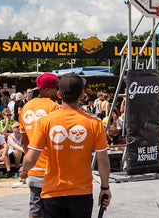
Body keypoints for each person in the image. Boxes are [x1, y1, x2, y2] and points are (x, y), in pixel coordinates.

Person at [22, 73, 111, 217]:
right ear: (81, 95)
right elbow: (103, 160)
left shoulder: (45, 122)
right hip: (82, 193)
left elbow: (31, 157)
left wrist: (24, 170)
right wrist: (104, 187)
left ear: (58, 94)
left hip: (52, 193)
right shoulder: (95, 123)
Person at [18, 73, 60, 218]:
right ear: (47, 90)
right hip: (52, 169)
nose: (59, 91)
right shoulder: (54, 107)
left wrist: (29, 163)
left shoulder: (25, 108)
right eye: (56, 88)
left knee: (35, 210)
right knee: (54, 210)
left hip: (34, 169)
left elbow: (24, 142)